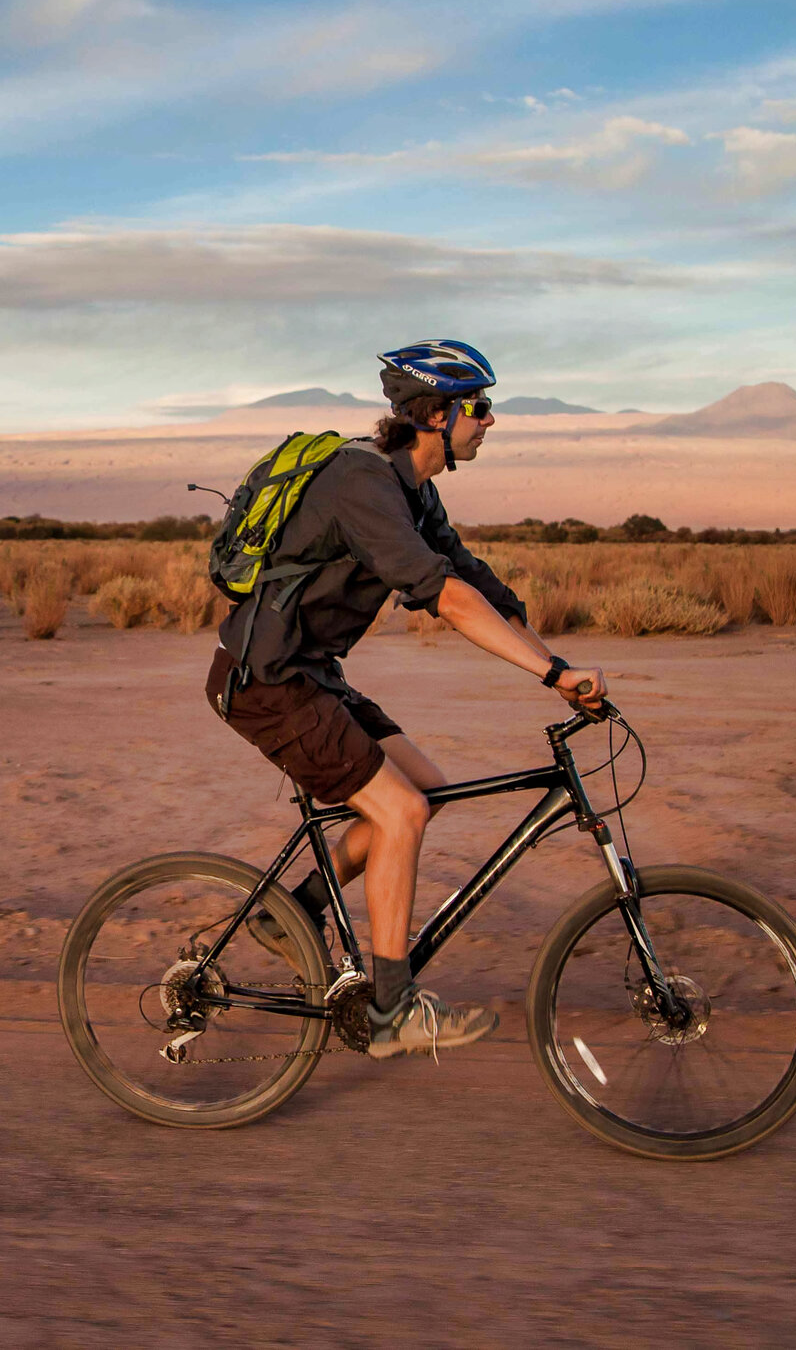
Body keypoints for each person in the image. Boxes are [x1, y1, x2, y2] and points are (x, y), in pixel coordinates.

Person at [204, 339, 608, 1059]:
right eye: (480, 407)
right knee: (402, 811)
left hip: (309, 674)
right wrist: (548, 679)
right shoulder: (363, 483)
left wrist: (561, 664)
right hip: (267, 683)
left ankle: (292, 913)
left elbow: (474, 581)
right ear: (437, 415)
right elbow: (445, 598)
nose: (491, 421)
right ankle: (392, 1011)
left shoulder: (414, 490)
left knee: (427, 788)